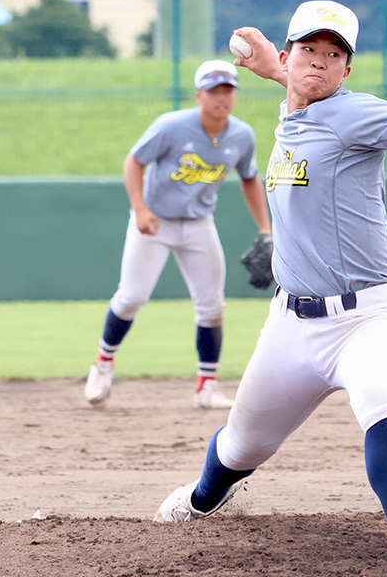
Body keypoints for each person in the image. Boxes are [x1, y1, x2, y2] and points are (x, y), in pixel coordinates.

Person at [152, 1, 387, 564]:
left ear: (348, 71)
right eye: (309, 50)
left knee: (376, 392)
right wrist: (274, 69)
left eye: (334, 53)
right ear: (291, 56)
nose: (320, 61)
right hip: (290, 325)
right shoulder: (292, 114)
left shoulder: (353, 114)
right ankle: (201, 502)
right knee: (244, 443)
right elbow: (299, 96)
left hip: (369, 317)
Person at [84, 59, 271, 410]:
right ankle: (103, 366)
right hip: (156, 222)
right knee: (131, 297)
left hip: (199, 224)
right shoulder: (172, 126)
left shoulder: (241, 135)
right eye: (214, 90)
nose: (222, 97)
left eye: (228, 90)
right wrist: (140, 209)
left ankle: (206, 387)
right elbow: (133, 161)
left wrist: (265, 229)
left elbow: (249, 178)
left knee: (212, 307)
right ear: (199, 94)